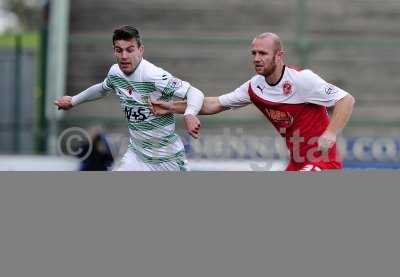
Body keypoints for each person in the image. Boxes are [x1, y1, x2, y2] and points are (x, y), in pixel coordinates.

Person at [151, 32, 355, 171]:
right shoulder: (254, 87)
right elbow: (214, 104)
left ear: (279, 56)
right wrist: (171, 107)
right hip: (297, 162)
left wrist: (330, 133)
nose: (257, 58)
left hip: (323, 161)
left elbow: (346, 100)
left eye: (263, 53)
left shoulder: (302, 80)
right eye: (254, 53)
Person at [54, 25, 203, 171]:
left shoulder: (153, 75)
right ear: (114, 51)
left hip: (167, 158)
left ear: (140, 50)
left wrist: (190, 114)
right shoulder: (115, 73)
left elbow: (195, 93)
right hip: (136, 155)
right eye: (119, 50)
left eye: (130, 50)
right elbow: (101, 89)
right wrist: (73, 101)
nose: (124, 56)